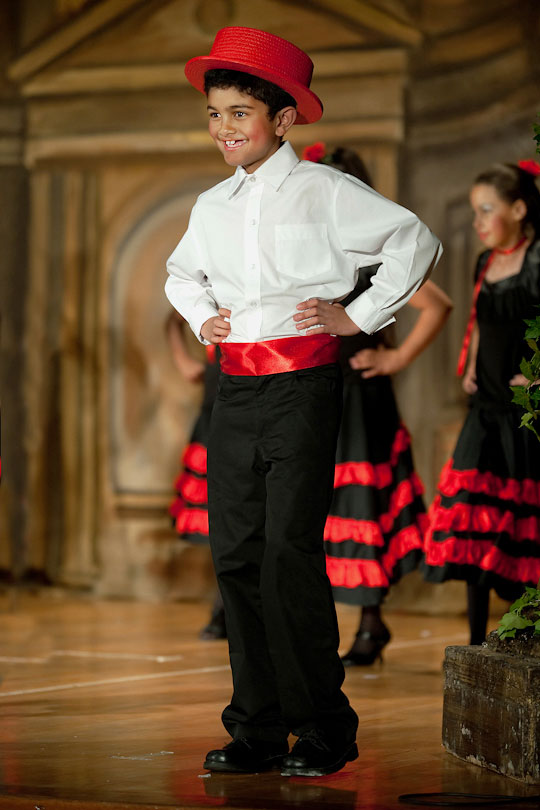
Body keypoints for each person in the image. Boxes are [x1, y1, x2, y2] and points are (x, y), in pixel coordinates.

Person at [165, 26, 442, 777]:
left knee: (289, 553)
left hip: (302, 387)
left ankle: (324, 729)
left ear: (282, 120)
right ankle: (255, 729)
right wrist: (202, 319)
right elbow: (179, 275)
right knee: (237, 557)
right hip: (236, 390)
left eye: (240, 113)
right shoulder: (212, 206)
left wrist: (360, 315)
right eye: (214, 113)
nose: (224, 128)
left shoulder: (326, 192)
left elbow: (414, 241)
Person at [302, 145, 453, 666]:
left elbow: (436, 303)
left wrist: (396, 359)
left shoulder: (370, 249)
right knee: (321, 506)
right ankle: (355, 623)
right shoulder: (311, 245)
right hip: (318, 387)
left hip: (361, 395)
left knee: (361, 505)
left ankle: (370, 621)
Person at [422, 160, 540, 645]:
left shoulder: (537, 259)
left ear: (518, 208)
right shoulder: (486, 261)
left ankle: (524, 630)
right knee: (472, 512)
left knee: (521, 520)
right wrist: (470, 364)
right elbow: (479, 320)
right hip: (485, 407)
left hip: (524, 412)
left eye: (487, 210)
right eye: (474, 211)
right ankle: (473, 642)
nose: (478, 222)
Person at [166, 310, 226, 640]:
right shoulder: (211, 276)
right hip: (216, 403)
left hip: (252, 395)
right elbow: (173, 318)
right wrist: (184, 362)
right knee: (220, 512)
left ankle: (229, 606)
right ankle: (223, 605)